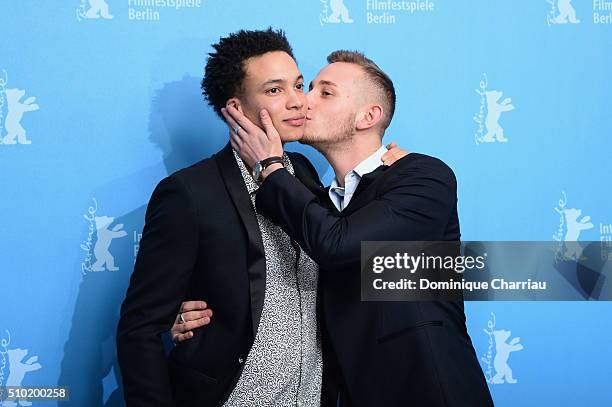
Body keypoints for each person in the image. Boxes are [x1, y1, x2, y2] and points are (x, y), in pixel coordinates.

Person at [174, 51, 494, 406]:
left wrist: (270, 166)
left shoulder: (422, 177)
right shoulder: (316, 198)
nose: (302, 101)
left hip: (429, 393)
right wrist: (195, 318)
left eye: (324, 93)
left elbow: (339, 245)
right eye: (306, 87)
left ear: (368, 116)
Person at [116, 29, 405, 407]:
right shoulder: (190, 192)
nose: (297, 101)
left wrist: (387, 174)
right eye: (274, 90)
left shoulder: (302, 173)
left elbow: (351, 248)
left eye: (299, 86)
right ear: (235, 108)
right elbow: (138, 328)